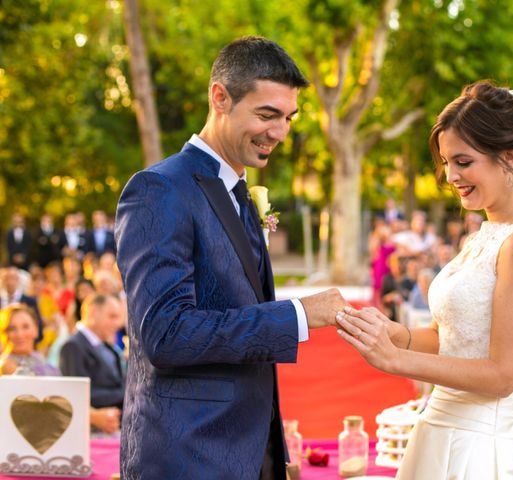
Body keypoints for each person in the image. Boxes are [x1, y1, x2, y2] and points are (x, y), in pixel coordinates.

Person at [335, 82, 513, 479]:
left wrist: (397, 360)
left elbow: (504, 375)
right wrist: (395, 334)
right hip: (439, 432)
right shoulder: (485, 236)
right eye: (446, 162)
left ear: (509, 157)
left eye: (463, 161)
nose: (450, 176)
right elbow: (455, 337)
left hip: (483, 449)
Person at [115, 36, 346, 480]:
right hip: (188, 457)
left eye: (287, 118)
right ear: (219, 97)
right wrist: (296, 316)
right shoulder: (159, 189)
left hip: (249, 452)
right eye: (266, 115)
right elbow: (165, 333)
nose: (280, 133)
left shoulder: (239, 192)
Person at [0, 303, 121, 434]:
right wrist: (93, 417)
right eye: (12, 328)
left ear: (35, 329)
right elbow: (43, 401)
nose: (19, 334)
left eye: (25, 326)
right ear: (4, 332)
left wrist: (97, 413)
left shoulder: (38, 357)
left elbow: (62, 392)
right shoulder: (7, 364)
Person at [59, 294, 126, 410]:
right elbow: (78, 393)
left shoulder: (105, 345)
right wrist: (125, 394)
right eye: (112, 316)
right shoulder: (73, 346)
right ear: (94, 313)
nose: (117, 324)